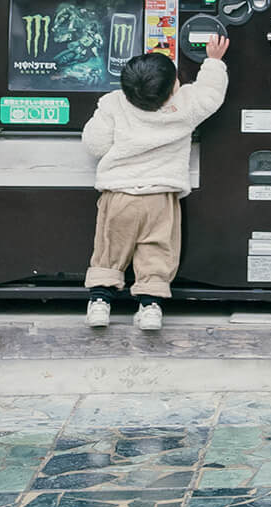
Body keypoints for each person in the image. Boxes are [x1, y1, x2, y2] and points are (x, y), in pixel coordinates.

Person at [81, 40, 228, 333]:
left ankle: (100, 303)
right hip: (160, 198)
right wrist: (213, 61)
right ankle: (150, 307)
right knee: (157, 252)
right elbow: (210, 95)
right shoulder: (183, 106)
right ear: (175, 85)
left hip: (119, 195)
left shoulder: (113, 103)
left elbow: (95, 144)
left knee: (109, 250)